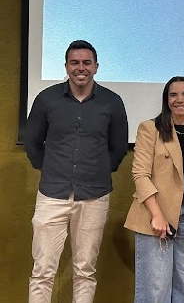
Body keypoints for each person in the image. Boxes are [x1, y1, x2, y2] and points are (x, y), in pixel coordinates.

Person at [25, 40, 129, 303]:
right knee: (42, 270)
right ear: (66, 66)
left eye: (86, 63)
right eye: (75, 62)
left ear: (96, 67)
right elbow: (32, 143)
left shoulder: (112, 102)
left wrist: (97, 172)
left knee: (85, 270)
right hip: (52, 194)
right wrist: (49, 169)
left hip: (94, 196)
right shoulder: (46, 98)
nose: (80, 68)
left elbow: (118, 148)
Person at [124, 76, 184, 302]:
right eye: (173, 95)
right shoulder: (150, 128)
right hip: (155, 215)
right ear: (166, 99)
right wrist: (157, 215)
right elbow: (140, 175)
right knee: (155, 287)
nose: (179, 99)